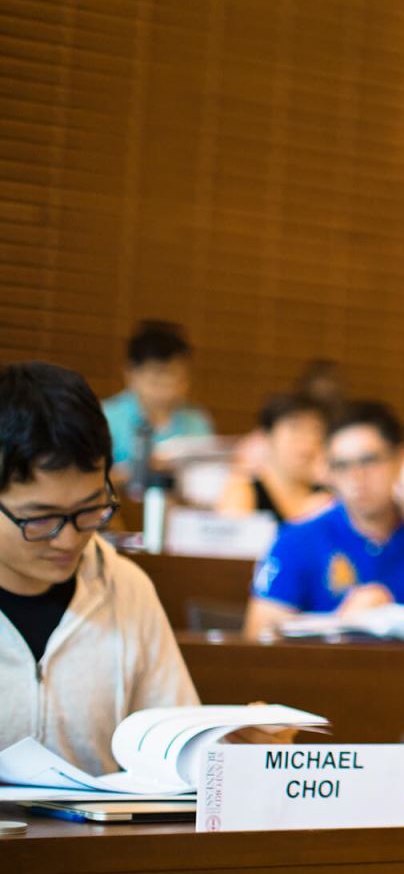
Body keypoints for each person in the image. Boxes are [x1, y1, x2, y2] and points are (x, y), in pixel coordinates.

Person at [0, 361, 198, 774]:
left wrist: (220, 748)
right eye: (40, 518)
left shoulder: (126, 587)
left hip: (95, 839)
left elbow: (174, 748)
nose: (69, 540)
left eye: (90, 511)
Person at [242, 401, 404, 636]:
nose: (356, 477)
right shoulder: (297, 540)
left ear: (401, 459)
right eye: (341, 465)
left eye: (369, 461)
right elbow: (259, 637)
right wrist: (342, 622)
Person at [100, 320, 214, 479]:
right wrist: (139, 470)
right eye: (157, 377)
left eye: (176, 376)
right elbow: (92, 478)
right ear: (131, 373)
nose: (168, 386)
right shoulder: (106, 417)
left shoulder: (197, 421)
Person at [216, 393, 331, 523]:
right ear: (267, 436)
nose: (308, 442)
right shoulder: (244, 490)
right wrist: (301, 520)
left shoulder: (328, 496)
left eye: (316, 431)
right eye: (295, 429)